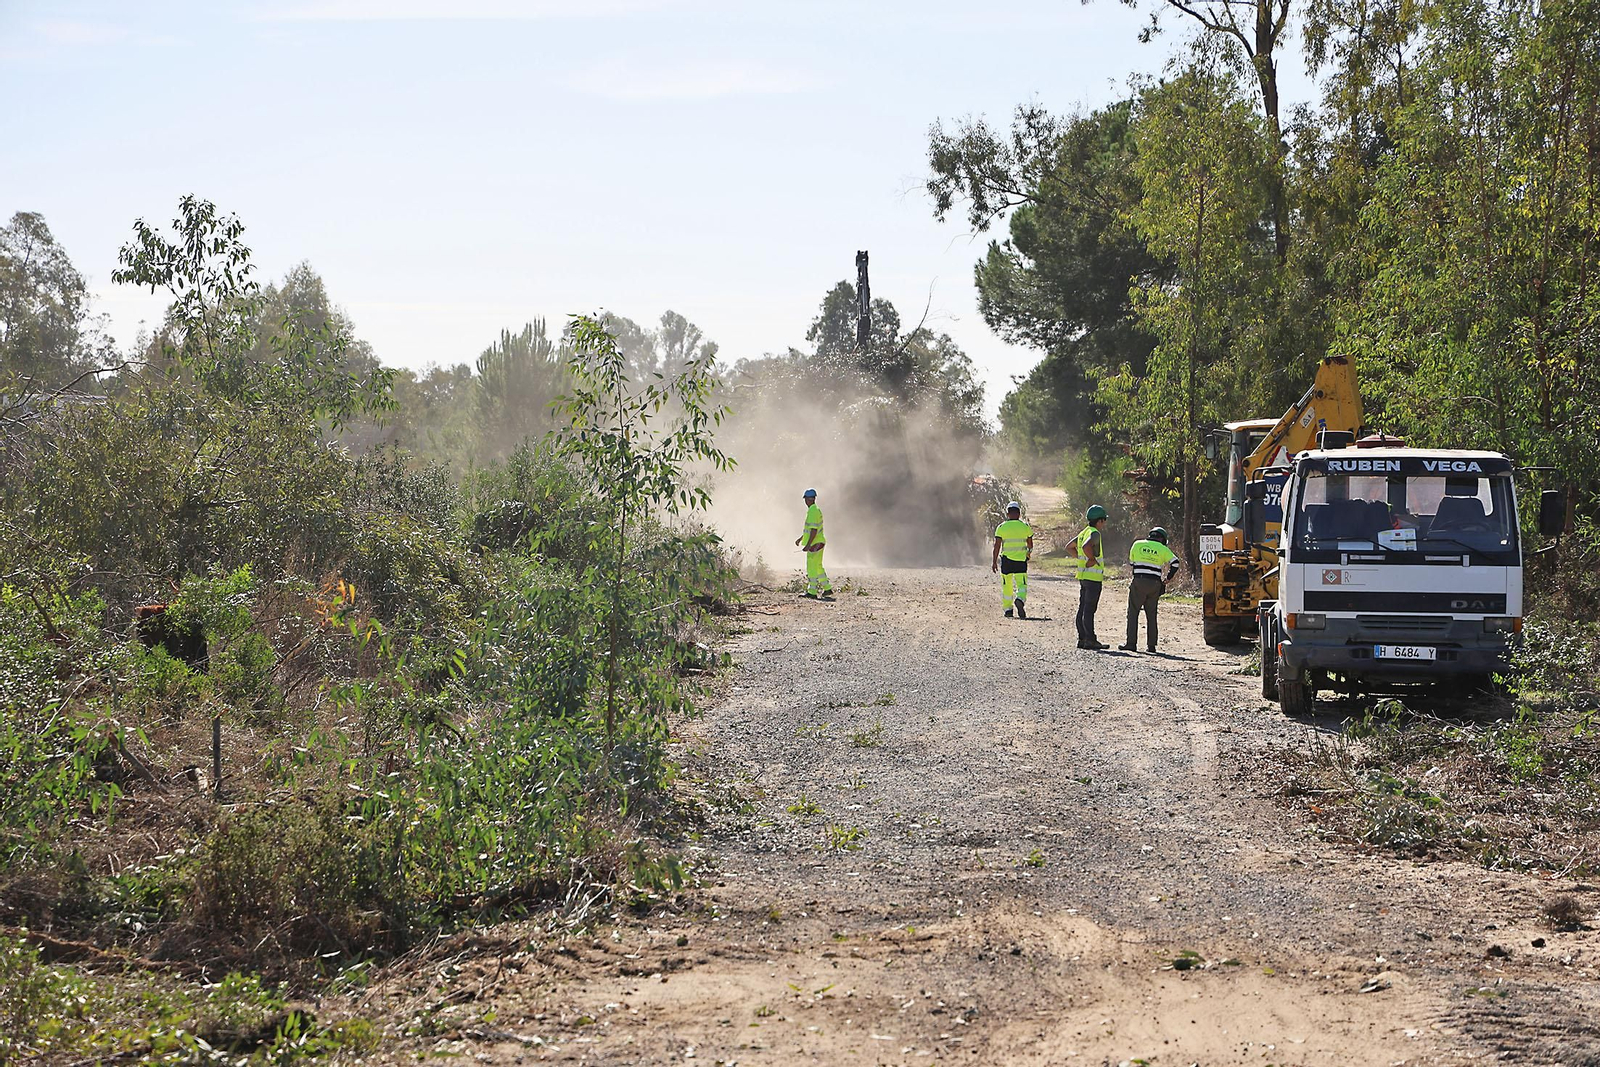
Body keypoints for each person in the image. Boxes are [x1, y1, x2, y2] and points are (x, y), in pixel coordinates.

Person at [1120, 527, 1181, 653]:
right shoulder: (1163, 549)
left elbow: (1132, 563)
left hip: (1139, 582)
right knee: (1151, 615)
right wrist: (1168, 578)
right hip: (1154, 584)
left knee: (1133, 613)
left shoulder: (1137, 544)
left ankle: (1131, 644)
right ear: (1162, 539)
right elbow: (1175, 563)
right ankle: (1151, 646)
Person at [991, 501, 1034, 619]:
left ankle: (1008, 610)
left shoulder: (1001, 527)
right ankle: (1020, 599)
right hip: (1021, 560)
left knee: (1007, 585)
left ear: (1007, 514)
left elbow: (997, 546)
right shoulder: (1025, 527)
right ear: (1019, 513)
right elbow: (1030, 544)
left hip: (1006, 561)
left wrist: (994, 561)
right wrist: (1028, 554)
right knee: (1022, 584)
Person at [1074, 504, 1109, 649]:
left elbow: (1069, 546)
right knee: (1089, 610)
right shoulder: (1095, 533)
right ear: (1099, 521)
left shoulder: (1083, 532)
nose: (1105, 523)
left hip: (1083, 576)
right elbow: (1085, 547)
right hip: (1093, 578)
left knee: (1082, 608)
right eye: (1104, 520)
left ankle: (1082, 638)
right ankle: (1090, 639)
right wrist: (1091, 559)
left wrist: (1082, 558)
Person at [795, 488, 833, 599]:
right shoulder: (816, 510)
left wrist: (808, 545)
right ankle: (827, 588)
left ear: (808, 499)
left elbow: (813, 530)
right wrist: (801, 539)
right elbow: (811, 529)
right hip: (819, 542)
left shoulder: (812, 511)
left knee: (811, 567)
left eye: (806, 499)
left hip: (814, 544)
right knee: (818, 566)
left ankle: (812, 592)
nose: (806, 501)